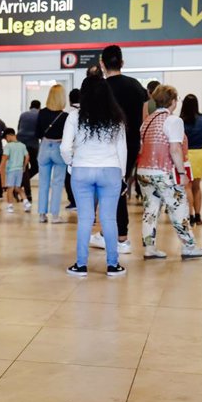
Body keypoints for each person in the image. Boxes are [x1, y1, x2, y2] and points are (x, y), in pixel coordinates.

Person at [61, 75, 127, 277]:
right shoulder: (116, 117)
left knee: (85, 219)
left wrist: (71, 163)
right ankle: (113, 265)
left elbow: (65, 148)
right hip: (110, 170)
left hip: (82, 170)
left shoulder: (74, 116)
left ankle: (81, 265)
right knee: (108, 219)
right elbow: (122, 150)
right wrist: (122, 176)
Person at [136, 85, 202, 260]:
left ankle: (150, 248)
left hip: (144, 171)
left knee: (150, 210)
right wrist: (182, 173)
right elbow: (175, 149)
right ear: (173, 101)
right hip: (164, 171)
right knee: (179, 208)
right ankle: (189, 247)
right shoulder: (173, 121)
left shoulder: (147, 121)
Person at [90, 45, 148, 254]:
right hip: (132, 144)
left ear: (102, 64)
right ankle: (115, 234)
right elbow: (143, 118)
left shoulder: (100, 87)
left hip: (108, 144)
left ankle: (119, 236)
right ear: (122, 63)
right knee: (119, 185)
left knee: (112, 187)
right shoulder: (136, 86)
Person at [35, 84, 68, 224]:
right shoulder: (65, 116)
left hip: (44, 147)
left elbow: (37, 133)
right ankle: (55, 215)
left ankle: (42, 215)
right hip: (58, 148)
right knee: (57, 183)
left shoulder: (41, 113)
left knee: (43, 183)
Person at [181, 94, 202, 226]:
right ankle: (198, 215)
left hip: (186, 154)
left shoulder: (180, 120)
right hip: (200, 153)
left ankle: (190, 216)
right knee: (197, 187)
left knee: (187, 186)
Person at [0, 128, 30, 213]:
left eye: (5, 138)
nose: (6, 140)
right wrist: (24, 166)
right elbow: (27, 157)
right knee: (17, 187)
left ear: (9, 136)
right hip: (19, 170)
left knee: (9, 189)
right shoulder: (22, 145)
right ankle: (26, 202)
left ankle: (10, 206)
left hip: (11, 170)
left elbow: (5, 157)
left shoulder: (8, 146)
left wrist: (0, 168)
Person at [18, 100, 41, 202]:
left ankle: (20, 189)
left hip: (21, 143)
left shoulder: (23, 115)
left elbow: (19, 128)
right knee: (36, 167)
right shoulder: (39, 115)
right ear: (39, 107)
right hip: (33, 144)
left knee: (25, 169)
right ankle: (26, 192)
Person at [64, 88, 80, 211]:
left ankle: (74, 201)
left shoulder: (70, 113)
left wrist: (69, 161)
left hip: (73, 152)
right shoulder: (88, 112)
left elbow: (65, 145)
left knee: (69, 178)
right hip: (86, 154)